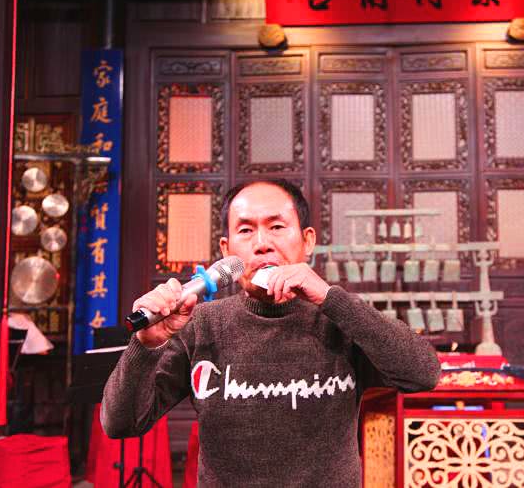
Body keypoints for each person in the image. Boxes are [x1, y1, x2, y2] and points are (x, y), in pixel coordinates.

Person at [101, 179, 441, 487]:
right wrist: (146, 345)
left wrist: (329, 297)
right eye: (246, 230)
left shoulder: (342, 320)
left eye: (277, 227)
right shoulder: (201, 324)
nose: (262, 243)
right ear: (226, 250)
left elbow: (423, 374)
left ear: (308, 241)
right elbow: (121, 424)